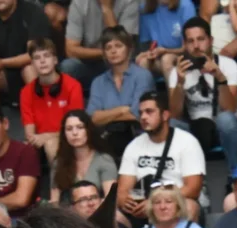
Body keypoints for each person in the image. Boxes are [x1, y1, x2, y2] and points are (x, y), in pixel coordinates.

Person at [168, 17, 237, 174]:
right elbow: (175, 114)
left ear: (211, 40)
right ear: (184, 44)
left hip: (226, 126)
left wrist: (220, 77)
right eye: (191, 41)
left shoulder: (228, 65)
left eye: (201, 39)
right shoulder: (178, 72)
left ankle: (236, 175)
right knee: (170, 124)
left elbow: (230, 108)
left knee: (225, 119)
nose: (196, 46)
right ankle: (183, 177)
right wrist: (180, 83)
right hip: (197, 127)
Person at [118, 91, 207, 225]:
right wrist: (126, 201)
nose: (143, 117)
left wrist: (155, 202)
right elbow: (123, 190)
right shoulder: (133, 146)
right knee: (115, 216)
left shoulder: (187, 142)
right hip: (142, 206)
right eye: (141, 113)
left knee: (190, 206)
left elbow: (193, 189)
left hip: (176, 203)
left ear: (165, 115)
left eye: (149, 112)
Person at [86, 26, 157, 158]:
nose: (113, 51)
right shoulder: (98, 82)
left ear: (129, 49)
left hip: (140, 137)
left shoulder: (142, 76)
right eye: (108, 48)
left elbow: (138, 114)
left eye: (118, 46)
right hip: (109, 139)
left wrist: (107, 115)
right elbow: (93, 118)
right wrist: (123, 109)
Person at [19, 39, 85, 163]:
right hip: (39, 143)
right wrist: (36, 139)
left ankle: (60, 177)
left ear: (55, 60)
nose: (42, 61)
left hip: (68, 140)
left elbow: (75, 128)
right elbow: (29, 132)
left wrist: (47, 136)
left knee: (51, 144)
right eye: (37, 58)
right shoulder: (26, 92)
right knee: (22, 150)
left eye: (46, 56)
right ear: (32, 64)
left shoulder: (72, 86)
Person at [0, 0, 53, 106]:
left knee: (29, 69)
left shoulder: (32, 12)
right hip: (4, 73)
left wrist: (2, 62)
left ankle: (46, 112)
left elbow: (34, 55)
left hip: (33, 69)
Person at [62, 0, 141, 88]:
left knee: (125, 64)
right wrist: (106, 52)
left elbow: (122, 48)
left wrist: (107, 9)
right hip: (89, 62)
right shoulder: (79, 3)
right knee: (69, 66)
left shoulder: (129, 2)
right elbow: (71, 51)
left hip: (117, 63)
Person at [50, 110, 118, 205]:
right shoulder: (59, 162)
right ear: (64, 134)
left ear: (88, 130)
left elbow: (110, 200)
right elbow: (54, 201)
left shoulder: (104, 160)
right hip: (67, 212)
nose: (74, 133)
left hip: (98, 210)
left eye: (80, 127)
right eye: (69, 129)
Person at [136, 0, 197, 79]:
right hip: (158, 57)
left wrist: (165, 51)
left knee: (167, 59)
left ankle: (174, 87)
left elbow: (190, 47)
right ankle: (148, 88)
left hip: (183, 56)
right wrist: (148, 53)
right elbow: (147, 43)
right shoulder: (145, 8)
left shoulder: (185, 5)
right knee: (142, 61)